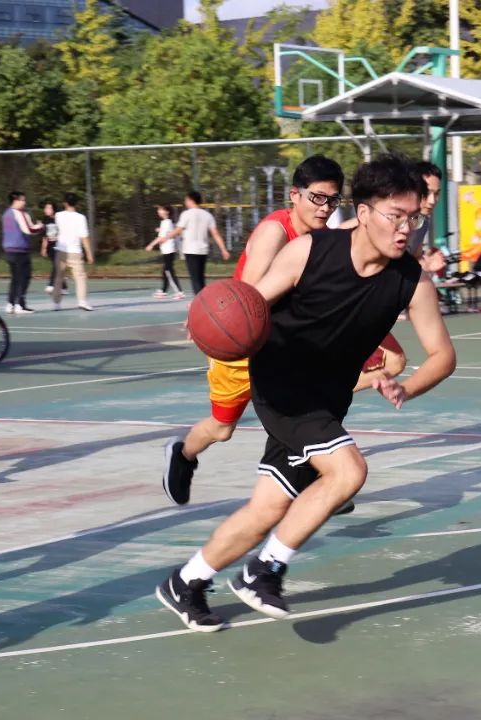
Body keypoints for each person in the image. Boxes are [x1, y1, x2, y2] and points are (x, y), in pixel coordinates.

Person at [155, 154, 456, 631]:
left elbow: (443, 355)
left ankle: (186, 582)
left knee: (268, 508)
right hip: (280, 382)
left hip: (326, 400)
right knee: (349, 470)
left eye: (414, 219)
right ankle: (264, 570)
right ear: (363, 212)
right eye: (395, 216)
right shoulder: (309, 251)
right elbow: (249, 306)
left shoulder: (412, 282)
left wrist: (407, 386)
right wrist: (212, 324)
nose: (405, 229)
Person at [160, 155, 346, 506]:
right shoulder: (275, 233)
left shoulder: (322, 238)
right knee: (222, 428)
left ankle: (321, 473)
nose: (325, 208)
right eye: (317, 198)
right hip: (242, 343)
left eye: (333, 200)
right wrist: (208, 320)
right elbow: (247, 299)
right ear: (295, 195)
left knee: (311, 401)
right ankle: (182, 454)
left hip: (280, 346)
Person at [160, 191, 231, 295]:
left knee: (195, 279)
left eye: (186, 200)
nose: (185, 202)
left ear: (191, 200)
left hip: (190, 250)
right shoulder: (207, 215)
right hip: (203, 250)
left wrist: (166, 237)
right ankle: (203, 299)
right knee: (200, 277)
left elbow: (178, 230)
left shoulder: (186, 214)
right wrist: (223, 250)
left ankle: (200, 300)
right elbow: (215, 234)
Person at [50, 192, 94, 311]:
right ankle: (82, 301)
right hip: (75, 252)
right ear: (76, 203)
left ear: (64, 203)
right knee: (80, 277)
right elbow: (84, 237)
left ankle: (56, 303)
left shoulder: (58, 215)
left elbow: (54, 230)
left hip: (61, 250)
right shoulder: (81, 218)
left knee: (59, 277)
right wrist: (89, 253)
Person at [2, 191, 41, 314]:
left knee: (15, 278)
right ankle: (20, 304)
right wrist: (41, 226)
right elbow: (29, 229)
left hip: (9, 251)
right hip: (20, 250)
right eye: (22, 200)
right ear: (16, 200)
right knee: (24, 277)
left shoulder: (6, 213)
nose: (24, 202)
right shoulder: (20, 213)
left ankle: (10, 304)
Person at [145, 204, 183, 299]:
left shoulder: (166, 222)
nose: (158, 211)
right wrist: (160, 230)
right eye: (158, 209)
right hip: (168, 250)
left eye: (160, 209)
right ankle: (163, 291)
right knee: (165, 271)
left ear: (167, 212)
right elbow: (168, 232)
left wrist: (151, 245)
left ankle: (179, 292)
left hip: (169, 250)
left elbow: (161, 238)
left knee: (168, 271)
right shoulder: (168, 222)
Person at [40, 201, 65, 296]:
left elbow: (64, 231)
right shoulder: (45, 220)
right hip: (50, 247)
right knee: (57, 266)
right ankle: (63, 287)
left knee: (56, 264)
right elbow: (44, 236)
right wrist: (43, 248)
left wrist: (57, 237)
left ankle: (51, 284)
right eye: (45, 208)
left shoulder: (59, 219)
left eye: (48, 208)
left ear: (53, 209)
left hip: (59, 245)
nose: (46, 210)